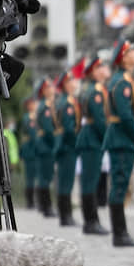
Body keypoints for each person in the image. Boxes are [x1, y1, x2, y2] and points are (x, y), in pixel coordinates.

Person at [103, 39, 134, 247]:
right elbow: (125, 115)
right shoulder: (122, 82)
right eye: (132, 51)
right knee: (120, 186)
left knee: (120, 185)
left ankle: (120, 233)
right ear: (124, 58)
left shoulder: (124, 80)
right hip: (122, 139)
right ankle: (120, 234)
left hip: (120, 138)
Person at [75, 55, 110, 234]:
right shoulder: (95, 92)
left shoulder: (96, 90)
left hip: (91, 139)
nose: (105, 69)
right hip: (92, 140)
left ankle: (92, 220)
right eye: (101, 67)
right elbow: (99, 121)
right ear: (95, 72)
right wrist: (109, 138)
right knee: (90, 182)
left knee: (91, 181)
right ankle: (90, 222)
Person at [53, 62, 84, 227]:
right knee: (66, 182)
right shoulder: (68, 103)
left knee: (65, 181)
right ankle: (66, 216)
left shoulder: (65, 101)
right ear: (66, 84)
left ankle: (65, 215)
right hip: (68, 147)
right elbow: (69, 129)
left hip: (65, 147)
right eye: (72, 81)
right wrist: (77, 143)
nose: (75, 83)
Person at [35, 77, 58, 217]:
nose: (53, 89)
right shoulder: (46, 107)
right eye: (49, 87)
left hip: (44, 145)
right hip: (46, 146)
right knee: (45, 178)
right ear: (44, 91)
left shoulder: (46, 105)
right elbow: (49, 130)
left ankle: (45, 206)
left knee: (45, 177)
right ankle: (46, 207)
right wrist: (56, 143)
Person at [17, 97, 40, 209]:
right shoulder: (29, 118)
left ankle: (32, 201)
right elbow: (33, 135)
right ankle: (30, 202)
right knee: (30, 177)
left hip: (33, 150)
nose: (35, 105)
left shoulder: (33, 117)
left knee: (34, 177)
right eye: (33, 104)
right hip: (31, 151)